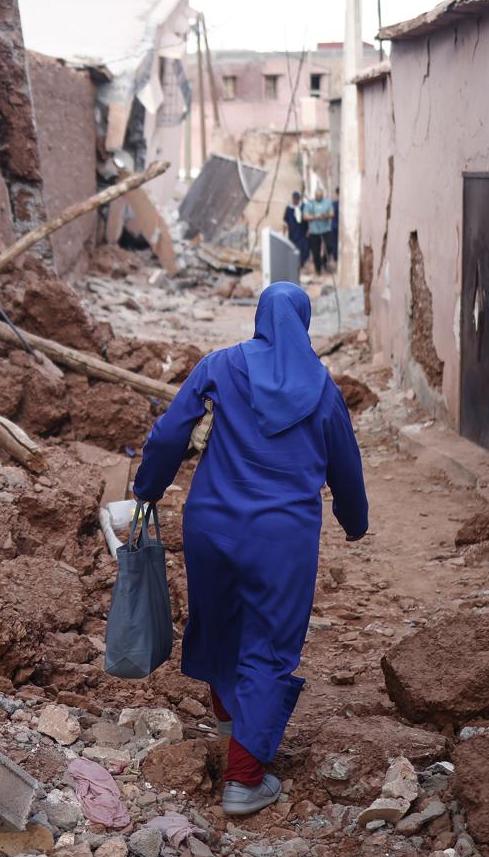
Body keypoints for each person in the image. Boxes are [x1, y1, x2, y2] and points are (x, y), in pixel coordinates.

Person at [130, 283, 368, 816]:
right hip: (281, 538)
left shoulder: (220, 365)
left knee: (220, 624)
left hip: (210, 526)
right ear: (303, 323)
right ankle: (244, 778)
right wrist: (354, 521)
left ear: (260, 317)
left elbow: (170, 434)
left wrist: (148, 488)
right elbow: (345, 466)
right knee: (269, 644)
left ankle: (231, 724)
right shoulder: (323, 389)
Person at [303, 193, 336, 274]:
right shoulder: (310, 204)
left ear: (322, 196)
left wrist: (325, 216)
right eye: (317, 196)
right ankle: (318, 269)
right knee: (315, 251)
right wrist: (315, 216)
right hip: (314, 231)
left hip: (326, 230)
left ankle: (323, 261)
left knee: (329, 246)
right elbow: (305, 216)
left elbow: (332, 214)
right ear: (315, 196)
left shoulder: (327, 202)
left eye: (320, 196)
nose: (319, 197)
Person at [282, 192, 309, 275]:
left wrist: (309, 230)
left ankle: (301, 264)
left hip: (302, 232)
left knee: (304, 249)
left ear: (299, 199)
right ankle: (296, 265)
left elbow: (307, 219)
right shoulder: (289, 208)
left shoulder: (303, 207)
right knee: (294, 249)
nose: (295, 200)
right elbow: (285, 222)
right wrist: (284, 233)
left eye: (297, 199)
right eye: (294, 199)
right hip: (293, 232)